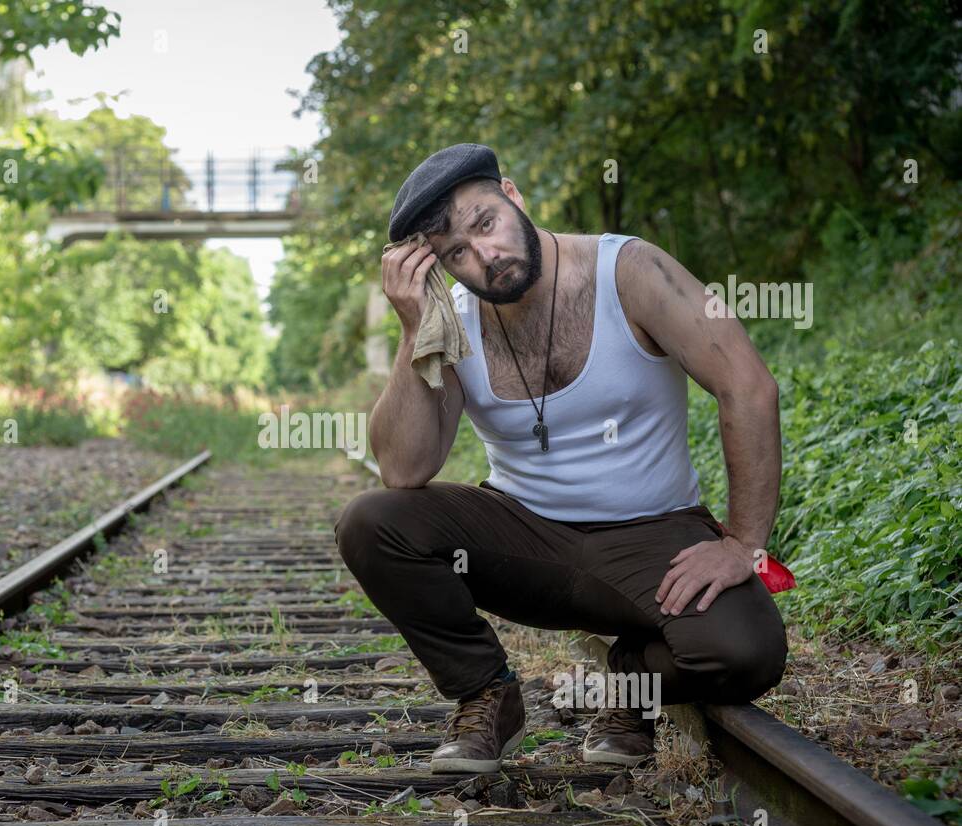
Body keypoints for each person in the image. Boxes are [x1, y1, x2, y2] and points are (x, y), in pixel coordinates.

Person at [335, 143, 787, 773]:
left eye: (485, 224)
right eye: (454, 253)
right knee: (371, 519)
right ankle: (487, 694)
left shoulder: (629, 270)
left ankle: (632, 681)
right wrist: (415, 331)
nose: (484, 257)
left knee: (746, 653)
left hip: (653, 537)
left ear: (513, 195)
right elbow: (405, 470)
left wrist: (743, 544)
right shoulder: (451, 320)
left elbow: (749, 386)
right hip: (527, 541)